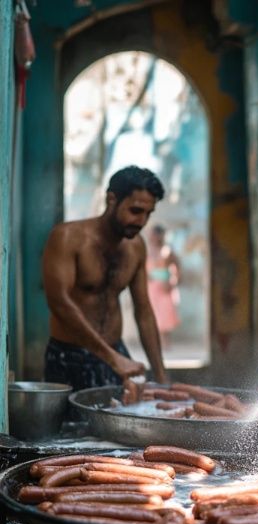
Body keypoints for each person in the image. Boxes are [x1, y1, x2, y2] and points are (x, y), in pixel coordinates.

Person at [43, 165, 167, 393]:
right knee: (71, 428)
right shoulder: (68, 238)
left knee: (121, 424)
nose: (141, 221)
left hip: (114, 353)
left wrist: (161, 376)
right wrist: (112, 358)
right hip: (69, 356)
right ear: (112, 199)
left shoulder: (136, 246)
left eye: (148, 214)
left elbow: (144, 311)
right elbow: (59, 303)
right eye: (135, 210)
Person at [146, 224, 181, 348]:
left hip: (165, 287)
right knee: (152, 314)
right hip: (151, 287)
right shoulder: (147, 250)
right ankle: (155, 343)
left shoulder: (167, 250)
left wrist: (173, 282)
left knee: (166, 314)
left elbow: (177, 266)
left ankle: (166, 343)